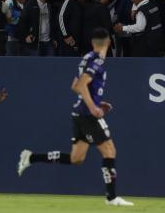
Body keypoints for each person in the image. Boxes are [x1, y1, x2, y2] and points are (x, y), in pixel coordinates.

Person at [17, 28, 134, 207]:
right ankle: (112, 197)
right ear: (109, 42)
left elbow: (75, 86)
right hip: (87, 114)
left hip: (79, 113)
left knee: (76, 158)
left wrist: (95, 101)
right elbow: (81, 84)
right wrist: (93, 106)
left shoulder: (86, 58)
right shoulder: (97, 60)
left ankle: (31, 158)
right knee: (109, 151)